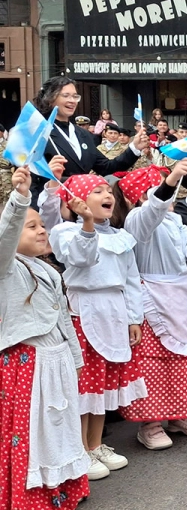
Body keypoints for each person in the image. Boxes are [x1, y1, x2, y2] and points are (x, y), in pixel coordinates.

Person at [47, 174, 147, 481]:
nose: (108, 195)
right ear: (78, 202)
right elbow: (81, 258)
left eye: (108, 191)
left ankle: (95, 443)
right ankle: (79, 449)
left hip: (114, 312)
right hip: (85, 312)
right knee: (85, 385)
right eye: (97, 191)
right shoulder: (67, 231)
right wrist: (87, 224)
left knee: (103, 383)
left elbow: (131, 278)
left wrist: (134, 317)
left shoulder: (119, 236)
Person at [0, 167, 90, 508]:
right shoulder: (6, 267)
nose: (42, 231)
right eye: (32, 226)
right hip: (29, 362)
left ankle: (60, 491)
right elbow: (5, 237)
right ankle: (30, 496)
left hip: (56, 359)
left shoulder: (46, 268)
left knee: (58, 426)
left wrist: (75, 359)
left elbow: (63, 319)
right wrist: (20, 198)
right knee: (35, 431)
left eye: (42, 225)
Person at [113, 163, 187, 449]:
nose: (168, 193)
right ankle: (151, 423)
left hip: (182, 292)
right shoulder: (137, 219)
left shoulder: (175, 221)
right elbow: (153, 211)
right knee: (158, 363)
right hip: (155, 294)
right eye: (158, 186)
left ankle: (181, 414)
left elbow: (186, 255)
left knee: (185, 358)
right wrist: (170, 180)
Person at [35, 77, 148, 193]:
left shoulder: (83, 134)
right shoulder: (40, 133)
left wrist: (134, 148)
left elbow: (107, 167)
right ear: (49, 98)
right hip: (51, 203)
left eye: (75, 96)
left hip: (82, 203)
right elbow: (33, 180)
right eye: (66, 95)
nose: (72, 101)